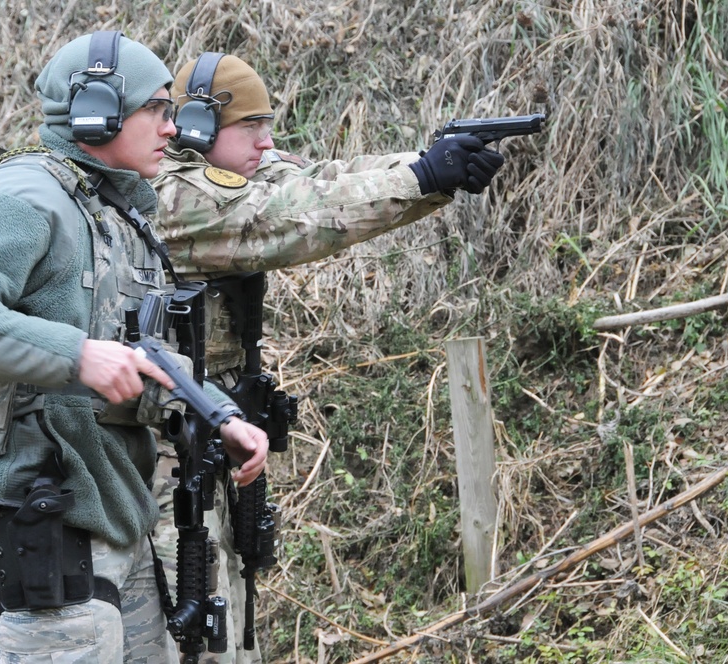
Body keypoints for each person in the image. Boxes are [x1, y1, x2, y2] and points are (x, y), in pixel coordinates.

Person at [0, 33, 268, 663]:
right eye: (155, 109)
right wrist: (76, 354)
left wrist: (219, 415)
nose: (174, 127)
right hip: (42, 518)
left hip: (113, 514)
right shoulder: (23, 196)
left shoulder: (110, 209)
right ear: (95, 111)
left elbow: (141, 348)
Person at [150, 53, 506, 663]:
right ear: (198, 129)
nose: (267, 141)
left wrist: (432, 166)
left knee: (233, 620)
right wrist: (421, 177)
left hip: (216, 431)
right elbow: (296, 218)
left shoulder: (228, 175)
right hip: (169, 456)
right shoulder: (174, 198)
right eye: (251, 128)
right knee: (193, 629)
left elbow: (321, 178)